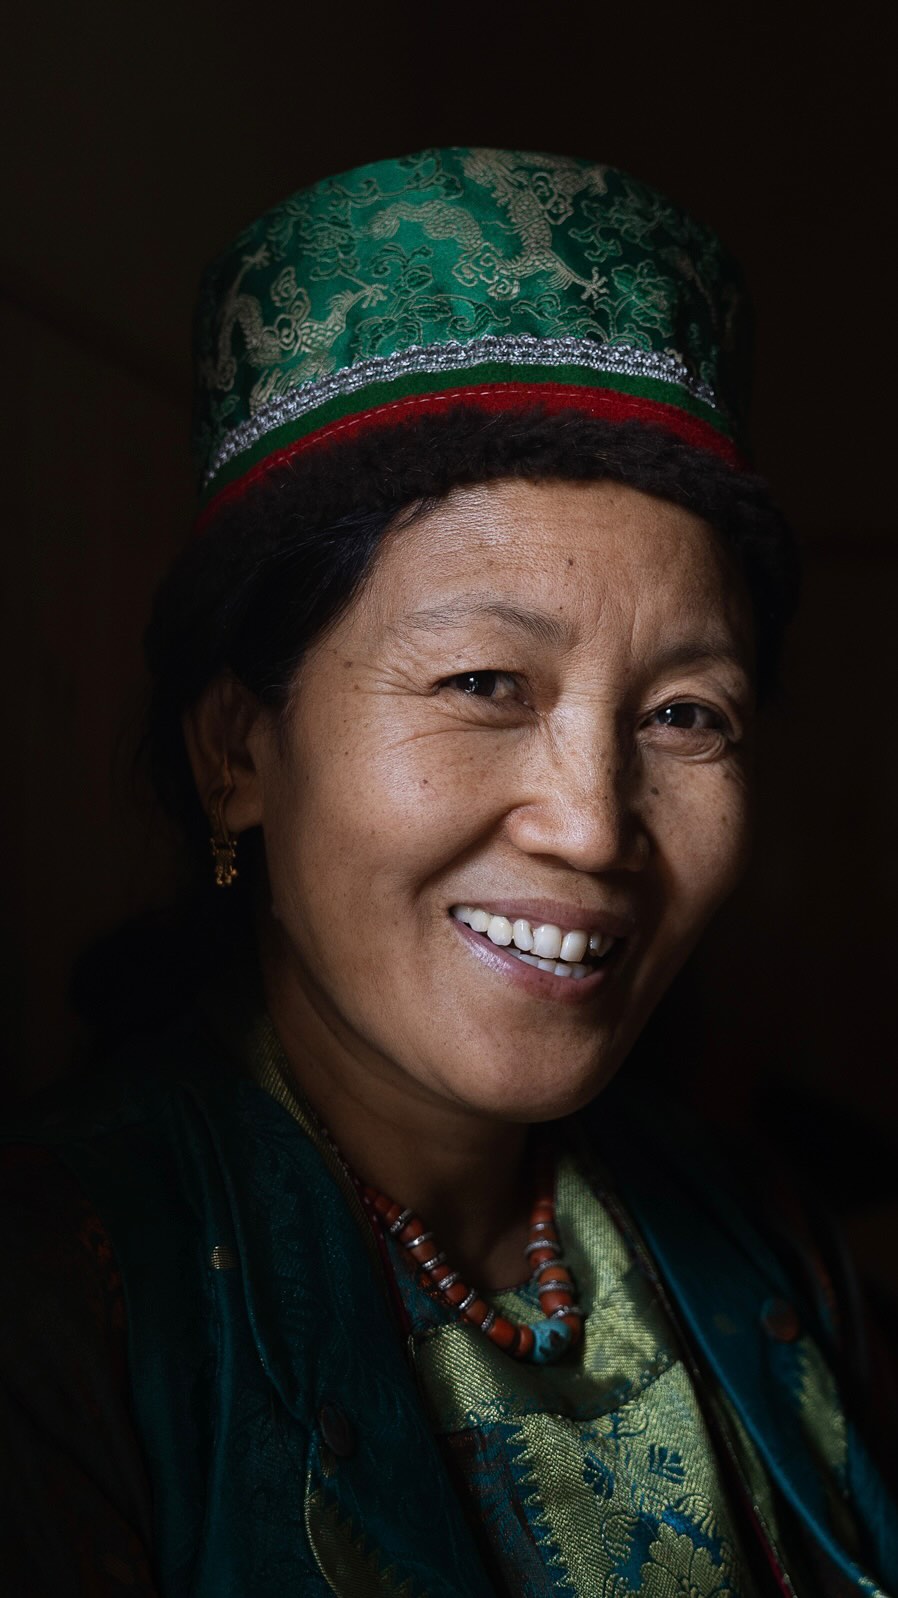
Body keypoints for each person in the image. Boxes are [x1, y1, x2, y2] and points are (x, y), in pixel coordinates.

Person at [2, 147, 895, 1597]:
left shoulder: (762, 1231)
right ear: (239, 750)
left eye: (684, 714)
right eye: (483, 680)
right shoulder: (68, 1303)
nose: (592, 823)